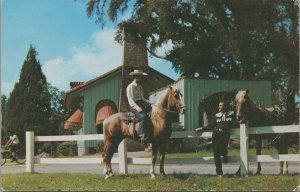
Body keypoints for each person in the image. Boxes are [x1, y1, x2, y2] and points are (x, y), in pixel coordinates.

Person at [195, 102, 234, 178]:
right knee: (216, 154)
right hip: (216, 135)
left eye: (221, 105)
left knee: (223, 149)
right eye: (219, 105)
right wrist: (201, 128)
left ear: (225, 106)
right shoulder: (216, 116)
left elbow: (235, 122)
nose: (219, 107)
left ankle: (225, 154)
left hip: (225, 135)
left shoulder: (231, 114)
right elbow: (210, 126)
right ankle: (219, 173)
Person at [126, 69, 152, 143]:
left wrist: (149, 102)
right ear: (135, 77)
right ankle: (141, 135)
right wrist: (137, 108)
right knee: (143, 117)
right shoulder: (130, 87)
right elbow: (130, 100)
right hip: (133, 106)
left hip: (141, 104)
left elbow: (142, 98)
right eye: (139, 77)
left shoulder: (140, 87)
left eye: (141, 77)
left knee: (151, 114)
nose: (141, 78)